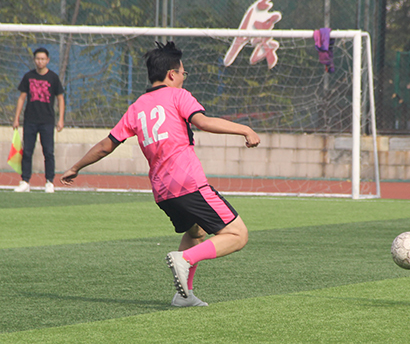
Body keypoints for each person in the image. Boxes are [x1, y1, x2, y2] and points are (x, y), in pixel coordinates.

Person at [60, 41, 261, 307]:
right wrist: (245, 129)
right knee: (238, 235)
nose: (183, 78)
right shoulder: (179, 96)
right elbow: (203, 122)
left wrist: (76, 167)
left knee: (196, 232)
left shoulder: (137, 107)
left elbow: (106, 146)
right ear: (171, 74)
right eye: (183, 73)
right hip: (188, 183)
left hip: (163, 192)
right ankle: (185, 258)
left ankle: (183, 295)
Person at [13, 47, 65, 193]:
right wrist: (16, 118)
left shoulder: (53, 78)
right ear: (34, 60)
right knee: (27, 151)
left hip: (47, 121)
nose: (40, 61)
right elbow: (22, 98)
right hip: (30, 120)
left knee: (48, 151)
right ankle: (25, 181)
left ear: (47, 60)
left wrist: (60, 119)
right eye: (37, 59)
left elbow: (60, 99)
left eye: (43, 59)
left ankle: (49, 181)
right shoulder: (28, 76)